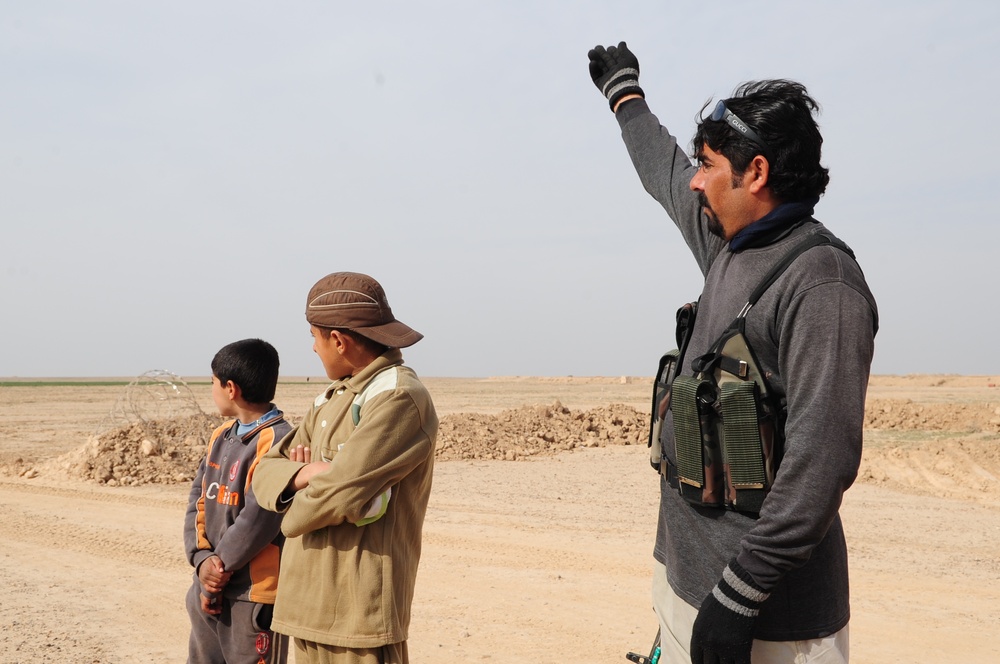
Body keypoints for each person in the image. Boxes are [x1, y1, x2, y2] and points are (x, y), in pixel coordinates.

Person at [588, 42, 878, 664]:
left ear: (756, 173)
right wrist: (625, 98)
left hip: (771, 622)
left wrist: (740, 596)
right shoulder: (729, 248)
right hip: (686, 587)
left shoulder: (822, 283)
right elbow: (664, 175)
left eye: (709, 163)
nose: (695, 179)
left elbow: (820, 462)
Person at [252, 271, 438, 664]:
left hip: (358, 617)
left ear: (338, 340)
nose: (315, 351)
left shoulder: (398, 397)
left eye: (315, 339)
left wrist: (292, 510)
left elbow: (340, 494)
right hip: (304, 606)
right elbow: (264, 473)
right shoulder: (329, 399)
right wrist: (306, 475)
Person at [184, 338, 293, 664]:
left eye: (213, 383)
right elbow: (198, 499)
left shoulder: (278, 440)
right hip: (207, 584)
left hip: (254, 594)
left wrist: (221, 568)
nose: (212, 390)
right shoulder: (221, 436)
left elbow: (258, 518)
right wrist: (202, 559)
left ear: (230, 388)